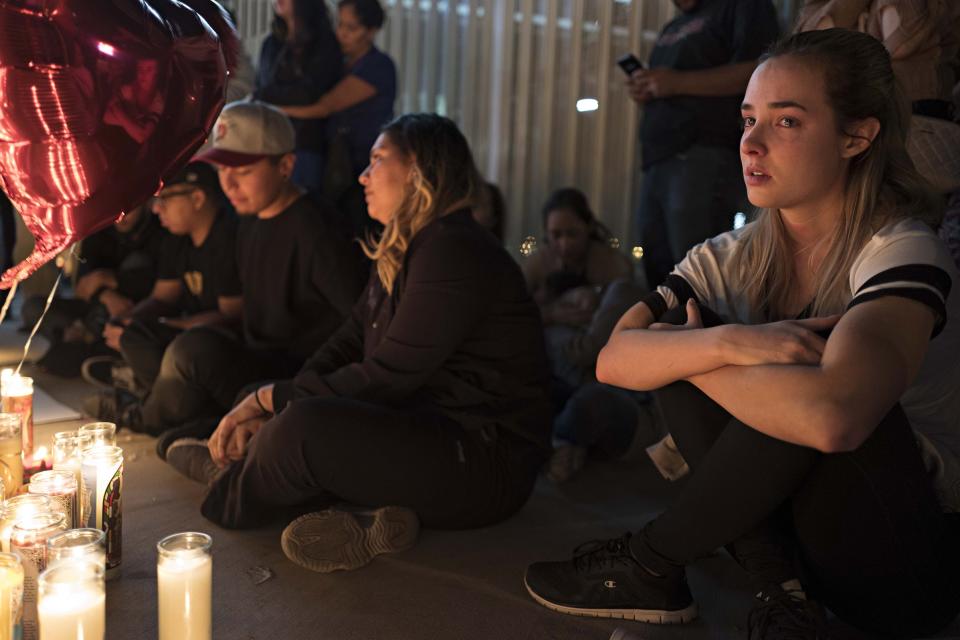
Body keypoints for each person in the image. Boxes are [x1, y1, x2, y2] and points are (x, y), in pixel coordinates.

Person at [525, 29, 960, 639]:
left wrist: (696, 354)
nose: (750, 144)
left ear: (857, 136)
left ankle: (652, 560)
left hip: (904, 568)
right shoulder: (730, 255)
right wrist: (729, 344)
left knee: (791, 378)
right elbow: (612, 359)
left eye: (785, 123)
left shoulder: (901, 250)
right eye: (747, 119)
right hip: (796, 549)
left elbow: (836, 417)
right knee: (689, 339)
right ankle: (777, 587)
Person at [164, 114, 552, 576]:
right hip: (430, 431)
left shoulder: (454, 250)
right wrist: (273, 397)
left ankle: (229, 479)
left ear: (420, 170)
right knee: (278, 403)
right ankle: (362, 516)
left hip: (485, 463)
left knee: (301, 429)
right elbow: (347, 339)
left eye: (377, 161)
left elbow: (388, 375)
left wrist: (276, 403)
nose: (363, 176)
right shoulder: (409, 245)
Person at [141, 101, 366, 446]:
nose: (228, 184)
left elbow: (362, 325)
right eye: (221, 170)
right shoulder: (247, 222)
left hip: (293, 376)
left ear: (286, 165)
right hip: (254, 359)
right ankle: (190, 424)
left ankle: (155, 418)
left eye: (243, 172)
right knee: (156, 337)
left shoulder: (316, 231)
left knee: (193, 352)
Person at [629, 0, 779, 289]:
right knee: (660, 271)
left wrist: (676, 83)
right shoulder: (672, 26)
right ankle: (667, 332)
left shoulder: (741, 7)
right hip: (658, 158)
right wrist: (648, 89)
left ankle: (705, 332)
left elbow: (760, 70)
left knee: (699, 275)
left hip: (702, 152)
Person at [84, 161, 242, 427]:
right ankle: (158, 395)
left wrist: (161, 326)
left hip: (222, 344)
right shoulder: (177, 239)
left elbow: (232, 317)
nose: (157, 209)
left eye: (166, 199)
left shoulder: (227, 238)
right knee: (128, 332)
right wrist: (129, 319)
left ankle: (147, 410)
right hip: (186, 332)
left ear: (197, 198)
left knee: (152, 340)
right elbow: (162, 297)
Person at [278, 0, 397, 237]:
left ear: (371, 31)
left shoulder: (378, 66)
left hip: (360, 162)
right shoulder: (339, 62)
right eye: (340, 24)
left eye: (351, 28)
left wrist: (275, 111)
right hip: (333, 158)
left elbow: (325, 107)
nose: (342, 33)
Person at [22, 201, 166, 378]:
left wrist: (108, 279)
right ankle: (79, 338)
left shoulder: (158, 230)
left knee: (136, 264)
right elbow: (83, 286)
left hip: (131, 311)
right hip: (93, 311)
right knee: (34, 308)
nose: (122, 216)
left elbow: (157, 285)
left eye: (130, 208)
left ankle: (83, 346)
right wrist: (105, 293)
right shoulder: (100, 229)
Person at [254, 0, 343, 193]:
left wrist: (268, 96)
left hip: (304, 142)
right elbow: (260, 87)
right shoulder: (272, 42)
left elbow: (309, 95)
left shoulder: (324, 42)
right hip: (267, 139)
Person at [523, 188, 632, 331]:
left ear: (589, 227)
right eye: (556, 235)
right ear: (546, 233)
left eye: (572, 234)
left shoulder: (613, 264)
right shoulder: (537, 263)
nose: (564, 244)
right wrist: (550, 314)